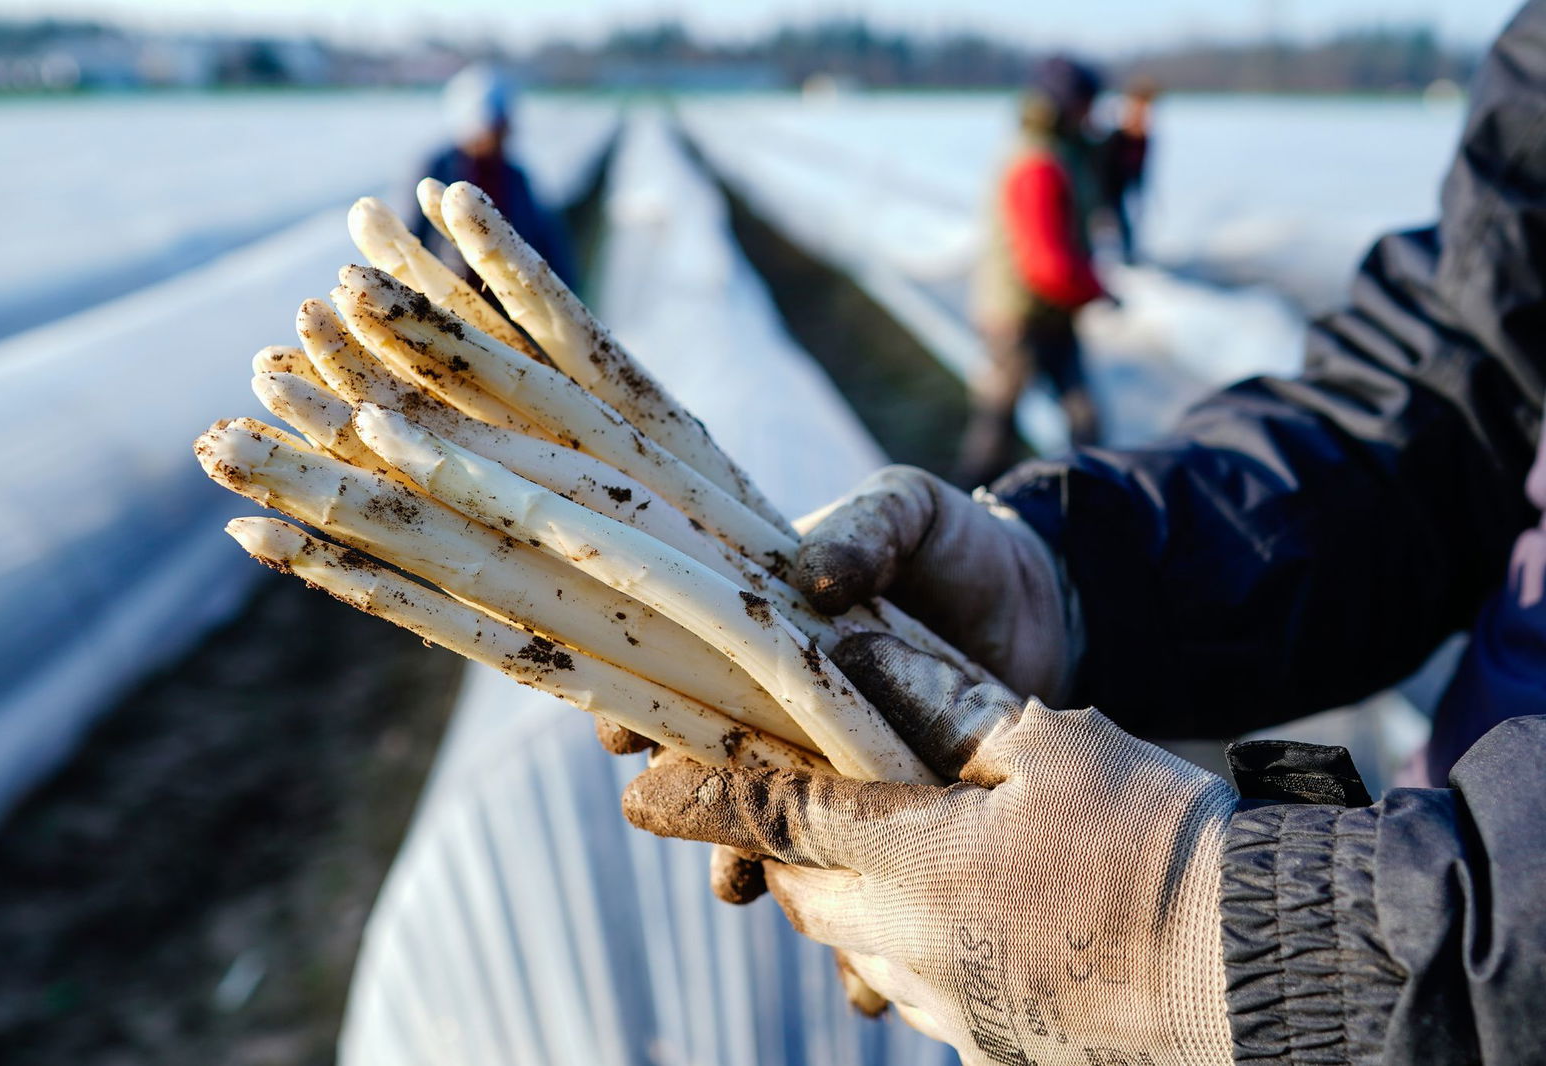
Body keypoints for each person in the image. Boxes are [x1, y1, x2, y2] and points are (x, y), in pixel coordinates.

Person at [620, 3, 1546, 1062]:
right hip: (1439, 842)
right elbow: (1452, 398)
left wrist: (1330, 952)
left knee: (1023, 402)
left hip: (1449, 956)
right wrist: (1076, 576)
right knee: (1015, 408)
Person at [960, 57, 1110, 487]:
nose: (1094, 114)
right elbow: (1047, 264)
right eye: (1088, 103)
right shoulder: (1038, 163)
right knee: (996, 429)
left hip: (1048, 313)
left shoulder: (1060, 152)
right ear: (1067, 105)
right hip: (1020, 318)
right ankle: (959, 522)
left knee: (1084, 420)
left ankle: (1094, 506)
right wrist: (1096, 288)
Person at [409, 64, 578, 292]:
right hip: (451, 295)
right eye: (493, 130)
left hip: (506, 296)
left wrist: (567, 288)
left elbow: (545, 238)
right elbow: (411, 235)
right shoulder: (437, 168)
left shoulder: (515, 177)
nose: (499, 139)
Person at [1097, 77, 1157, 265]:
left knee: (1127, 222)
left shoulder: (1143, 137)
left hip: (1127, 183)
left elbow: (1141, 164)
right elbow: (1103, 167)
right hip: (1110, 185)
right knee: (1114, 222)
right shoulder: (1116, 138)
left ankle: (1127, 258)